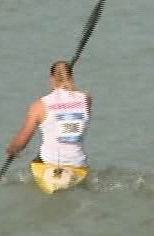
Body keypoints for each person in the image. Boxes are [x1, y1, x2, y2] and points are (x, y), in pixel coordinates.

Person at [6, 61, 91, 191]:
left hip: (49, 162)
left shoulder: (39, 106)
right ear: (71, 76)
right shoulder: (86, 99)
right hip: (77, 163)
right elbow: (70, 108)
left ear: (51, 78)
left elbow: (22, 142)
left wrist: (11, 150)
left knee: (36, 158)